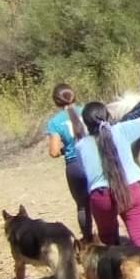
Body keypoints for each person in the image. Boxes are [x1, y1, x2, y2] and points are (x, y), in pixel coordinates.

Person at [75, 95, 140, 250]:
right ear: (107, 115)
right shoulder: (123, 129)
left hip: (101, 197)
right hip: (131, 190)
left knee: (107, 241)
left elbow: (84, 172)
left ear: (86, 123)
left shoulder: (81, 146)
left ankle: (114, 271)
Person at [43, 83, 93, 242]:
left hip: (75, 164)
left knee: (83, 206)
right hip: (94, 159)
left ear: (56, 102)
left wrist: (65, 150)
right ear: (74, 96)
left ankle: (88, 239)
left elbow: (53, 152)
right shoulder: (87, 111)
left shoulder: (55, 122)